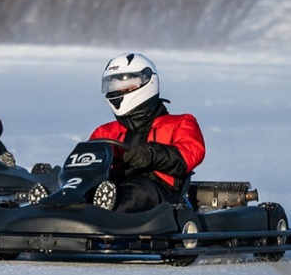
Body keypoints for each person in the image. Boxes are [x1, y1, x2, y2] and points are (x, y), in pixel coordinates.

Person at [86, 52, 206, 212]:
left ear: (147, 81)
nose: (119, 90)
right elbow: (88, 162)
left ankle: (103, 210)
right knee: (84, 189)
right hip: (112, 185)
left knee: (136, 192)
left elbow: (189, 154)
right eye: (113, 85)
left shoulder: (180, 123)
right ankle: (55, 202)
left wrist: (151, 154)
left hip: (161, 194)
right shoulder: (104, 132)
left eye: (126, 85)